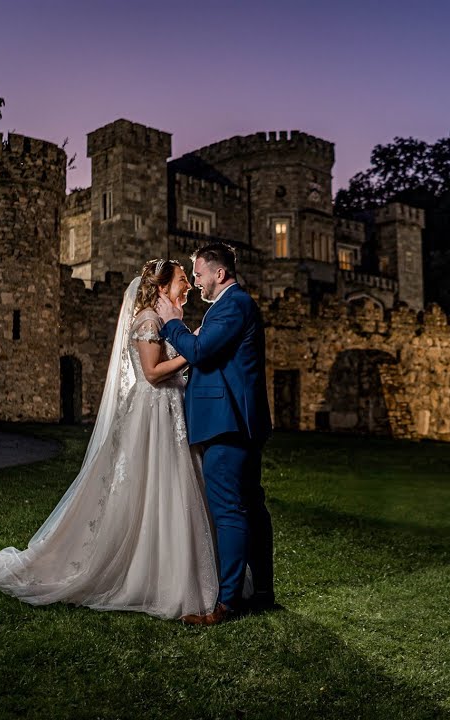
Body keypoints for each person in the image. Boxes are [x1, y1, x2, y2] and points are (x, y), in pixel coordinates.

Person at [0, 259, 219, 620]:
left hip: (169, 413)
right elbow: (153, 373)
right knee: (149, 486)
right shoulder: (147, 320)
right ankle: (142, 570)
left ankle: (171, 566)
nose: (188, 284)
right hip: (153, 412)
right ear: (161, 287)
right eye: (182, 279)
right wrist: (193, 353)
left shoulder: (167, 319)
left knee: (172, 488)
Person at [155, 242, 276, 626]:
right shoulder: (229, 306)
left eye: (200, 273)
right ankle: (260, 593)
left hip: (229, 423)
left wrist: (169, 320)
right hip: (236, 422)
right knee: (250, 508)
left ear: (219, 274)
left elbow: (201, 350)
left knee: (230, 511)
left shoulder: (233, 305)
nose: (196, 281)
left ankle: (227, 605)